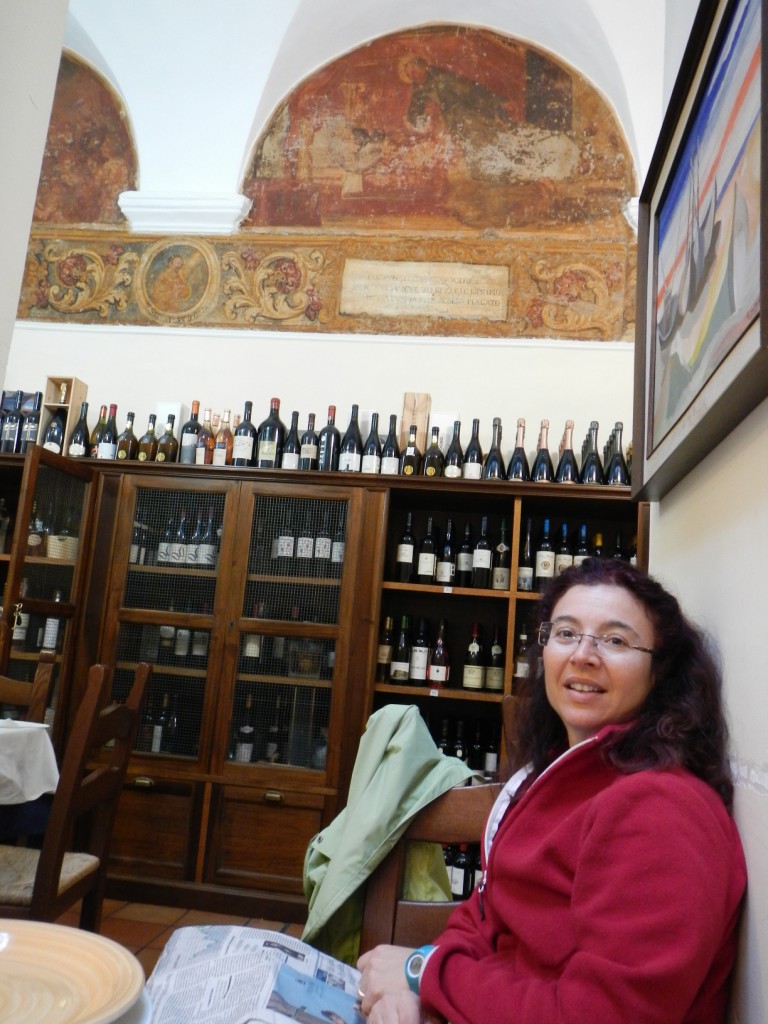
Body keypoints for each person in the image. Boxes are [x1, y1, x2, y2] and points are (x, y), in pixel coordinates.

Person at [357, 557, 746, 1023]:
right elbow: (485, 913)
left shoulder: (663, 811)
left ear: (659, 671)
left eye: (615, 640)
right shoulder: (561, 770)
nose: (583, 655)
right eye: (565, 633)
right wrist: (423, 988)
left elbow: (599, 1016)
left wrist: (425, 974)